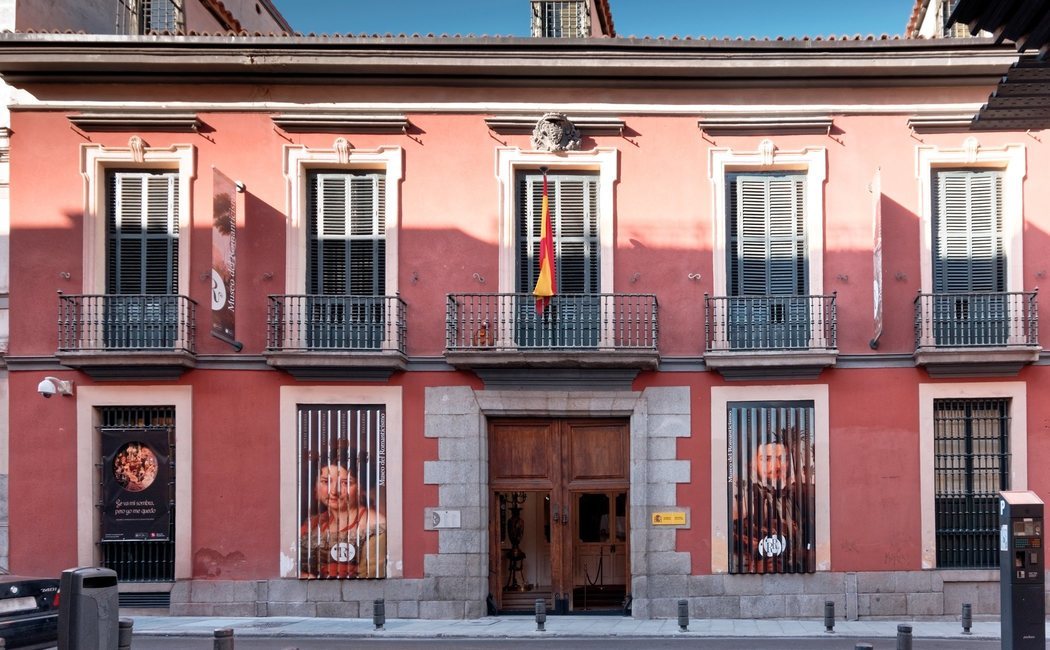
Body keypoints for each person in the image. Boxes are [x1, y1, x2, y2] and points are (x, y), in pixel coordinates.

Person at [731, 430, 815, 574]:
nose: (777, 466)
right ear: (752, 463)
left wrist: (802, 554)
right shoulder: (744, 501)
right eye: (767, 459)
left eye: (783, 459)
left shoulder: (803, 497)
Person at [299, 460, 387, 579]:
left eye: (346, 483)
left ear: (361, 489)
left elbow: (370, 580)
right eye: (326, 481)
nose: (334, 491)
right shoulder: (315, 523)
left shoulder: (374, 525)